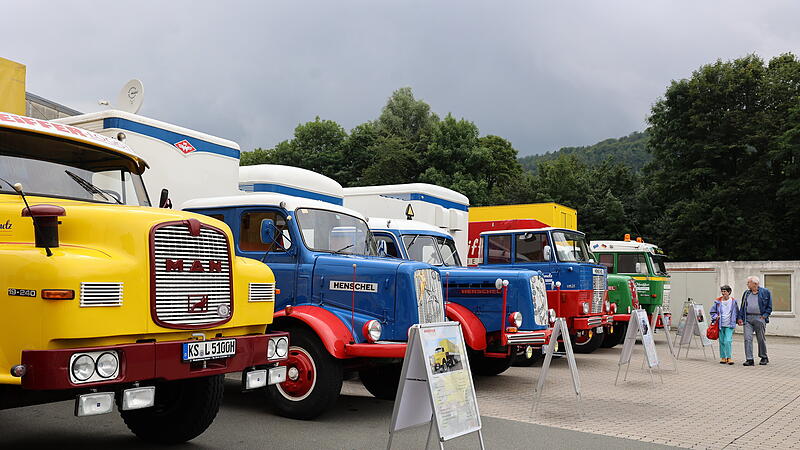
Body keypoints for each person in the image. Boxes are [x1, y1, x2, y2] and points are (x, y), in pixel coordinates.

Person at [737, 276, 772, 366]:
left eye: (748, 282)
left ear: (755, 284)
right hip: (747, 318)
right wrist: (740, 318)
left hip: (759, 318)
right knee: (747, 339)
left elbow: (769, 307)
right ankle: (749, 359)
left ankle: (764, 357)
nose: (747, 284)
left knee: (760, 339)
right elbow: (742, 307)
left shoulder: (765, 292)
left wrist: (764, 316)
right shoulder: (746, 293)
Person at [710, 285, 738, 365]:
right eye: (722, 291)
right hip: (720, 324)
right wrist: (716, 317)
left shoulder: (733, 301)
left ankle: (729, 357)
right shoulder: (718, 301)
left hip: (730, 324)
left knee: (728, 340)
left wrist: (739, 320)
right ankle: (723, 357)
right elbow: (712, 312)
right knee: (722, 341)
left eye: (725, 291)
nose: (723, 293)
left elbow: (737, 312)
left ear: (729, 292)